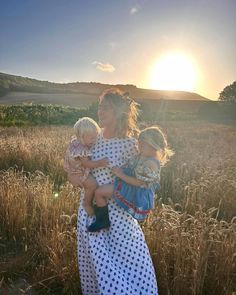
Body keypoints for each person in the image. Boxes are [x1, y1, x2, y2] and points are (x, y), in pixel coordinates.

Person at [76, 88, 159, 294]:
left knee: (129, 266)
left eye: (106, 108)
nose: (100, 112)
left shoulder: (131, 145)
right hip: (90, 213)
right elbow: (77, 164)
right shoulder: (91, 139)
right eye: (100, 107)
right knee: (95, 266)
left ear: (119, 112)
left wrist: (113, 189)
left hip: (119, 217)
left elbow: (144, 179)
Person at [88, 125, 173, 232]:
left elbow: (139, 183)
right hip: (129, 184)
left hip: (134, 190)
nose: (139, 147)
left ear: (153, 146)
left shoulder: (151, 163)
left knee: (99, 192)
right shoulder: (143, 155)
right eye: (139, 144)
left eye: (143, 145)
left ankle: (102, 220)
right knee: (99, 192)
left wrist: (121, 175)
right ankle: (101, 215)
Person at [64, 117, 108, 216]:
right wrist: (100, 163)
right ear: (81, 137)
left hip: (76, 170)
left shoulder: (77, 142)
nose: (94, 139)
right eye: (91, 137)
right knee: (92, 185)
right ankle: (87, 203)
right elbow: (86, 164)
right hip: (78, 172)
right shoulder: (81, 148)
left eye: (95, 136)